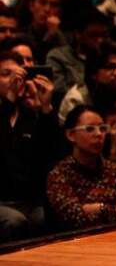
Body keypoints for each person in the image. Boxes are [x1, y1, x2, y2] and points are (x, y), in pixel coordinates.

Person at [46, 105, 116, 230]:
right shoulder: (60, 174)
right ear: (71, 135)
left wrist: (98, 208)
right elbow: (74, 219)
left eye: (102, 128)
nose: (99, 134)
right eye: (90, 129)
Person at [0, 49, 58, 241]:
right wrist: (9, 99)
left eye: (19, 74)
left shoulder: (30, 115)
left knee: (46, 217)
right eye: (6, 74)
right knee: (14, 221)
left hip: (29, 199)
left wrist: (46, 107)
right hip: (2, 200)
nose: (15, 80)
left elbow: (50, 151)